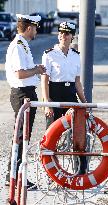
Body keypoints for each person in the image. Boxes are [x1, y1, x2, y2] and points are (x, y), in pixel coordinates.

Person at [41, 21, 87, 174]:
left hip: (70, 95)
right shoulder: (49, 54)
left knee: (78, 132)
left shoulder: (75, 56)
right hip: (54, 94)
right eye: (60, 32)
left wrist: (84, 103)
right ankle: (50, 171)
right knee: (51, 135)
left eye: (66, 33)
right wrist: (47, 103)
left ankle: (81, 170)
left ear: (72, 36)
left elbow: (77, 82)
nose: (63, 35)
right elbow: (45, 81)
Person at [5, 14, 45, 188]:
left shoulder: (23, 45)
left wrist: (36, 69)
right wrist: (36, 70)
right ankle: (14, 176)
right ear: (29, 28)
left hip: (27, 93)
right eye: (35, 28)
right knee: (21, 138)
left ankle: (15, 175)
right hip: (22, 95)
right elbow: (20, 74)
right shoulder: (18, 46)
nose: (36, 31)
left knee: (23, 137)